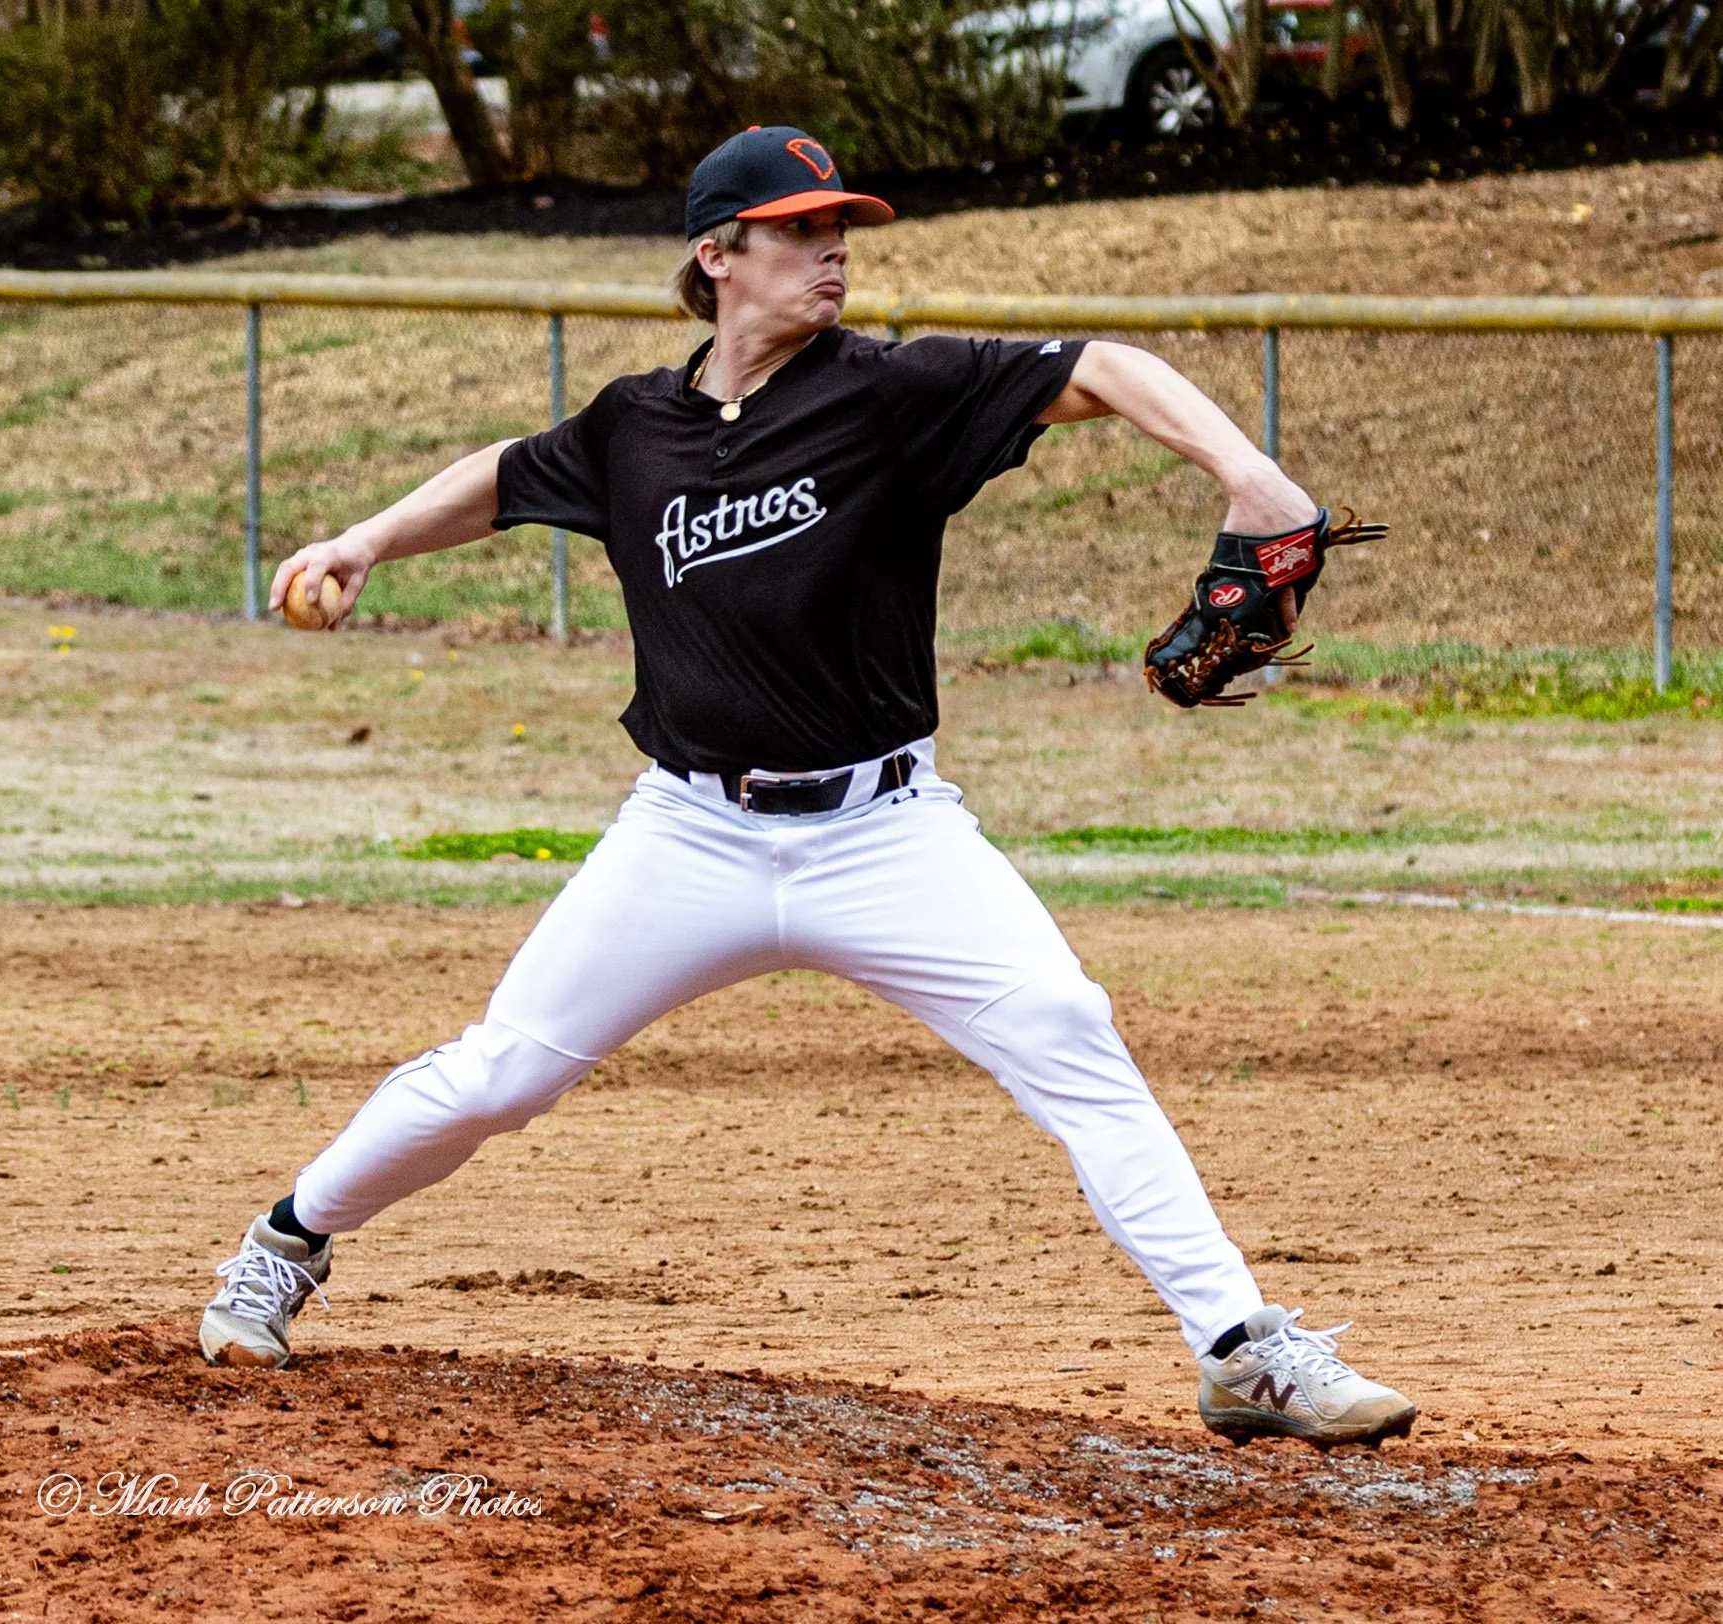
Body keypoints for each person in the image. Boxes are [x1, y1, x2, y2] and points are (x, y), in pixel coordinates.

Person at [200, 125, 1416, 1448]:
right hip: (688, 837)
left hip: (886, 833)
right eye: (796, 228)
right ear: (716, 255)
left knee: (1066, 1032)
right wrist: (367, 539)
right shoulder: (634, 428)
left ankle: (1242, 1353)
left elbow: (1105, 368)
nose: (830, 249)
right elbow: (504, 477)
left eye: (837, 226)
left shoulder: (893, 394)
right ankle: (285, 1244)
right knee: (502, 1074)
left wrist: (1249, 477)